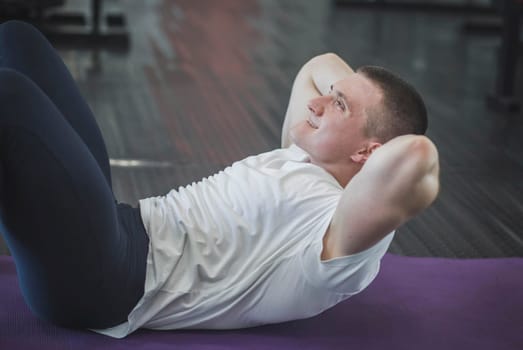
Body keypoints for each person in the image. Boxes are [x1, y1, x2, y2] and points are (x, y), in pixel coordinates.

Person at [0, 21, 440, 338]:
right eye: (328, 95)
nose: (318, 103)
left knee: (10, 98)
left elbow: (415, 154)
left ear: (369, 153)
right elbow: (319, 64)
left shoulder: (334, 235)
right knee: (18, 39)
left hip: (109, 283)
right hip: (120, 227)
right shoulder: (300, 153)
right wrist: (352, 97)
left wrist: (375, 123)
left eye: (337, 104)